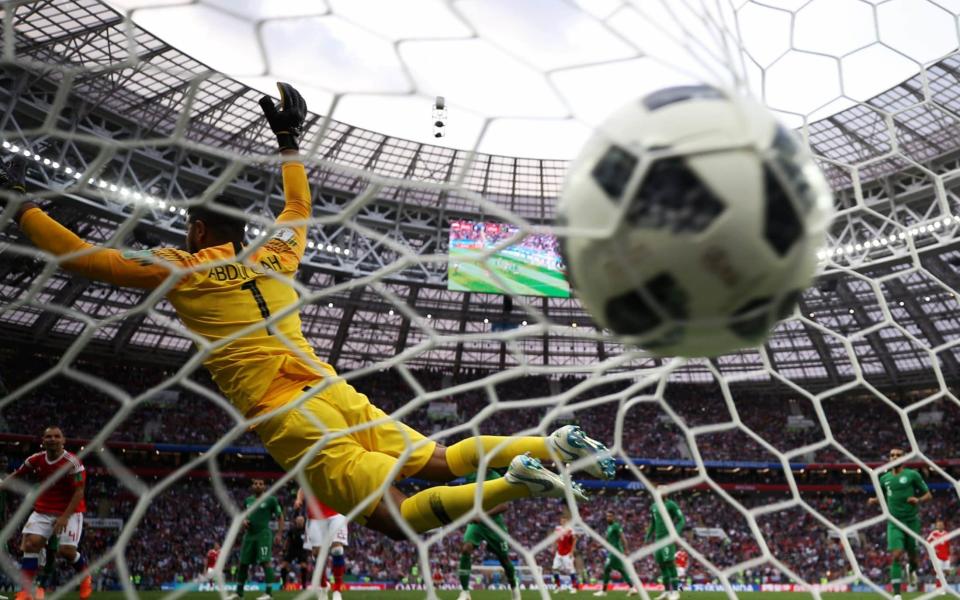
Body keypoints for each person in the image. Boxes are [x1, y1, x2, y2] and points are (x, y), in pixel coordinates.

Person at [3, 82, 615, 541]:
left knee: (398, 521)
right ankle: (553, 441)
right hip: (327, 384)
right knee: (432, 458)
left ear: (194, 227)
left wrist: (22, 205)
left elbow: (81, 256)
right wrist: (289, 140)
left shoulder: (179, 269)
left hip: (285, 410)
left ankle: (516, 480)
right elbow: (299, 204)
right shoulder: (275, 256)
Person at [0, 427, 92, 600]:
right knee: (30, 544)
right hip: (43, 510)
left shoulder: (73, 463)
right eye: (48, 436)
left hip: (70, 511)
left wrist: (64, 517)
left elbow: (79, 492)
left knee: (66, 551)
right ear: (43, 440)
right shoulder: (35, 459)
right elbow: (18, 474)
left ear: (63, 440)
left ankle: (86, 576)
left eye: (57, 436)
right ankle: (27, 591)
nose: (52, 439)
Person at [868, 447, 932, 600]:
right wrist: (874, 500)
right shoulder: (884, 479)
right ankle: (897, 594)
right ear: (889, 458)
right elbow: (884, 496)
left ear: (904, 458)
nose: (894, 457)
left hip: (911, 522)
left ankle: (911, 569)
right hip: (894, 522)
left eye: (898, 455)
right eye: (892, 455)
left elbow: (928, 495)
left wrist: (918, 500)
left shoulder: (912, 475)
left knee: (913, 557)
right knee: (896, 555)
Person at [456, 469, 520, 600]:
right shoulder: (471, 475)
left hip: (494, 524)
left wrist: (483, 515)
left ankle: (514, 589)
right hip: (477, 524)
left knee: (504, 559)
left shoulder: (496, 478)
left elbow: (504, 505)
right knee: (466, 548)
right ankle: (465, 592)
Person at [227, 479, 284, 600]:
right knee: (243, 563)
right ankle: (239, 593)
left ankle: (268, 594)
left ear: (264, 487)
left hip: (263, 534)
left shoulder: (271, 500)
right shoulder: (248, 500)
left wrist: (279, 534)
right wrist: (244, 521)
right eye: (255, 483)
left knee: (265, 562)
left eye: (261, 484)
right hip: (249, 535)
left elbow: (280, 516)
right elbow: (243, 516)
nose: (258, 485)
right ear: (252, 486)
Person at [295, 487, 348, 600]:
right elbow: (303, 487)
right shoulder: (310, 470)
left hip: (336, 513)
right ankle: (324, 586)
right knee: (317, 554)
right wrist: (299, 499)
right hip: (315, 516)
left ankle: (337, 590)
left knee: (337, 549)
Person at [645, 496, 685, 600]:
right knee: (662, 566)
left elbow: (681, 519)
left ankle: (676, 592)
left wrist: (676, 532)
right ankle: (666, 592)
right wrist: (647, 536)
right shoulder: (653, 506)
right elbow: (653, 523)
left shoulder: (671, 504)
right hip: (657, 540)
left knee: (670, 564)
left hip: (667, 538)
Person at [593, 512, 638, 597]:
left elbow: (623, 538)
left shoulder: (616, 526)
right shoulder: (609, 528)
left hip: (616, 552)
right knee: (621, 570)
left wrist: (626, 549)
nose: (608, 518)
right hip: (612, 552)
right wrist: (597, 547)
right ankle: (632, 588)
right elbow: (606, 540)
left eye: (610, 516)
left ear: (614, 517)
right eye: (607, 516)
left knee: (607, 569)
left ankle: (604, 591)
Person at [551, 509, 579, 594]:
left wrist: (571, 551)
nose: (563, 521)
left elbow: (575, 539)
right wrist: (554, 547)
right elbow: (556, 539)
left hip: (567, 554)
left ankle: (574, 587)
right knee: (555, 569)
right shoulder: (557, 528)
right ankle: (558, 586)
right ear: (560, 521)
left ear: (567, 521)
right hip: (559, 553)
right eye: (562, 520)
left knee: (571, 570)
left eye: (565, 520)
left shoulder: (570, 529)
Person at [279, 516, 309, 591]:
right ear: (296, 522)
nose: (299, 523)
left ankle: (304, 585)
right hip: (292, 549)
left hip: (302, 550)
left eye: (301, 521)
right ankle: (283, 584)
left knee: (304, 566)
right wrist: (284, 549)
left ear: (303, 522)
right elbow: (287, 540)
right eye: (298, 521)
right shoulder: (292, 530)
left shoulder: (306, 530)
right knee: (283, 566)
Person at [926, 519, 951, 594]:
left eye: (941, 525)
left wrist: (950, 554)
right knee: (939, 572)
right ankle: (939, 588)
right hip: (938, 556)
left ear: (943, 526)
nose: (940, 526)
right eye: (939, 525)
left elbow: (948, 545)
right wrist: (933, 550)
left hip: (946, 556)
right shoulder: (933, 534)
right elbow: (927, 542)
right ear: (936, 526)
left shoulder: (946, 533)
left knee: (947, 572)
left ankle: (941, 586)